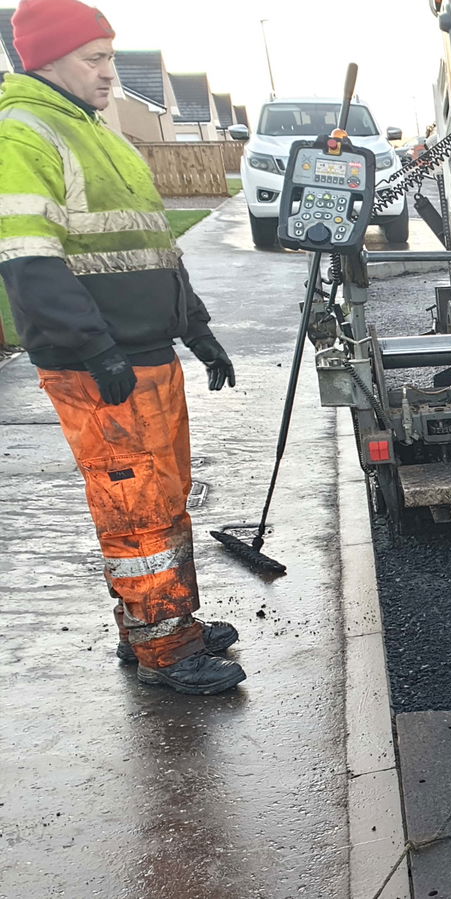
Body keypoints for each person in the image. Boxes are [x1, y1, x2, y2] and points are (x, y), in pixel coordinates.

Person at [0, 0, 246, 694]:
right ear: (45, 59)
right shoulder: (24, 134)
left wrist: (195, 328)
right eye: (96, 58)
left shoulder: (99, 135)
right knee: (133, 509)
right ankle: (167, 651)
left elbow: (154, 248)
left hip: (147, 355)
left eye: (111, 56)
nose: (111, 72)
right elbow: (28, 260)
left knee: (162, 498)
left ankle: (162, 625)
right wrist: (93, 349)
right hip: (100, 368)